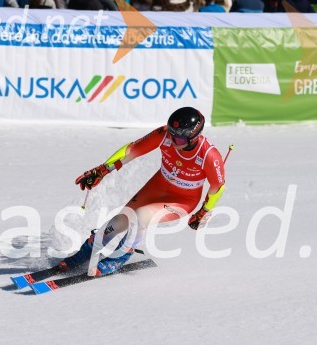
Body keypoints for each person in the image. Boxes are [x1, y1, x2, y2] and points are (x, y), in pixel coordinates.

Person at [60, 107, 226, 276]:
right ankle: (86, 252)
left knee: (140, 217)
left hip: (183, 200)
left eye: (179, 138)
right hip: (158, 186)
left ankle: (118, 257)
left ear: (194, 137)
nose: (173, 141)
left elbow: (217, 187)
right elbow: (132, 150)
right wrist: (102, 170)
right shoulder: (165, 134)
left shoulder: (209, 156)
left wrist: (204, 210)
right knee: (120, 220)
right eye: (172, 134)